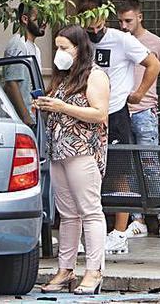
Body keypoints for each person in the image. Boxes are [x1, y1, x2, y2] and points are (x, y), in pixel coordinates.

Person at [79, 0, 160, 255]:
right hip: (87, 112)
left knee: (120, 171)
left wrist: (139, 93)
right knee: (85, 171)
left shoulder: (121, 39)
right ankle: (90, 232)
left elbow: (154, 64)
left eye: (97, 22)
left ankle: (119, 232)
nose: (93, 29)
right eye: (87, 24)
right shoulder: (81, 41)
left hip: (115, 112)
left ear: (104, 18)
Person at [33, 25, 110, 295]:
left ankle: (94, 270)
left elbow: (100, 114)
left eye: (65, 47)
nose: (59, 53)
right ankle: (65, 269)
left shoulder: (95, 76)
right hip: (59, 150)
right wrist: (45, 106)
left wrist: (62, 106)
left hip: (82, 150)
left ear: (80, 48)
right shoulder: (63, 78)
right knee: (67, 215)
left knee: (90, 210)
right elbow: (59, 111)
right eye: (57, 47)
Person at [116, 0, 160, 240]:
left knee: (151, 165)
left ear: (140, 17)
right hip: (121, 111)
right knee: (128, 168)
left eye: (128, 21)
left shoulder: (156, 42)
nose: (124, 26)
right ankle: (138, 219)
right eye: (120, 21)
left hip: (145, 111)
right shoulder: (117, 42)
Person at [1, 3, 45, 126]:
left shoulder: (36, 49)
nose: (44, 23)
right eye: (39, 19)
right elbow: (11, 83)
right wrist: (26, 117)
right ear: (25, 19)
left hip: (34, 116)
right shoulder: (18, 44)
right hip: (22, 120)